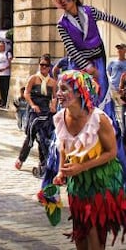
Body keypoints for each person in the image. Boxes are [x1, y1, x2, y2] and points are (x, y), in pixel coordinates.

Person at [52, 0, 126, 177]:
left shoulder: (90, 12)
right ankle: (61, 164)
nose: (62, 3)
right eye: (60, 0)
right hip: (80, 64)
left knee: (101, 102)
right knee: (76, 99)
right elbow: (72, 49)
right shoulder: (62, 24)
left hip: (99, 59)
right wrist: (87, 67)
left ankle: (108, 146)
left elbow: (112, 19)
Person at [52, 70, 126, 249]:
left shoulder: (98, 119)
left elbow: (112, 152)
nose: (58, 94)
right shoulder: (61, 117)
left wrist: (82, 167)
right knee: (80, 228)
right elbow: (63, 146)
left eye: (64, 89)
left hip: (101, 178)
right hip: (77, 181)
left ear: (79, 92)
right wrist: (61, 171)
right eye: (58, 89)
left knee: (93, 227)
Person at [15, 54, 57, 175]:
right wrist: (33, 105)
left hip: (46, 111)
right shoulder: (33, 78)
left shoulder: (52, 82)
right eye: (41, 64)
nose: (43, 67)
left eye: (45, 65)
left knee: (43, 137)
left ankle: (43, 163)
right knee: (31, 135)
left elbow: (54, 97)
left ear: (49, 67)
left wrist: (53, 105)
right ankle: (21, 158)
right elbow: (26, 94)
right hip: (34, 110)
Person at [107, 43, 126, 129]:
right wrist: (110, 80)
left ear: (124, 50)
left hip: (122, 91)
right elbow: (108, 72)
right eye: (118, 48)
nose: (119, 50)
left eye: (121, 48)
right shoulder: (112, 62)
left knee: (121, 111)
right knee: (112, 108)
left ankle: (122, 130)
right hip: (113, 89)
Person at [0, 41, 12, 109]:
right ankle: (3, 102)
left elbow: (10, 64)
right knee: (1, 88)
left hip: (6, 74)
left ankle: (6, 102)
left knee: (6, 88)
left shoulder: (7, 54)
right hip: (0, 74)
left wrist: (4, 69)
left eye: (1, 46)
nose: (0, 47)